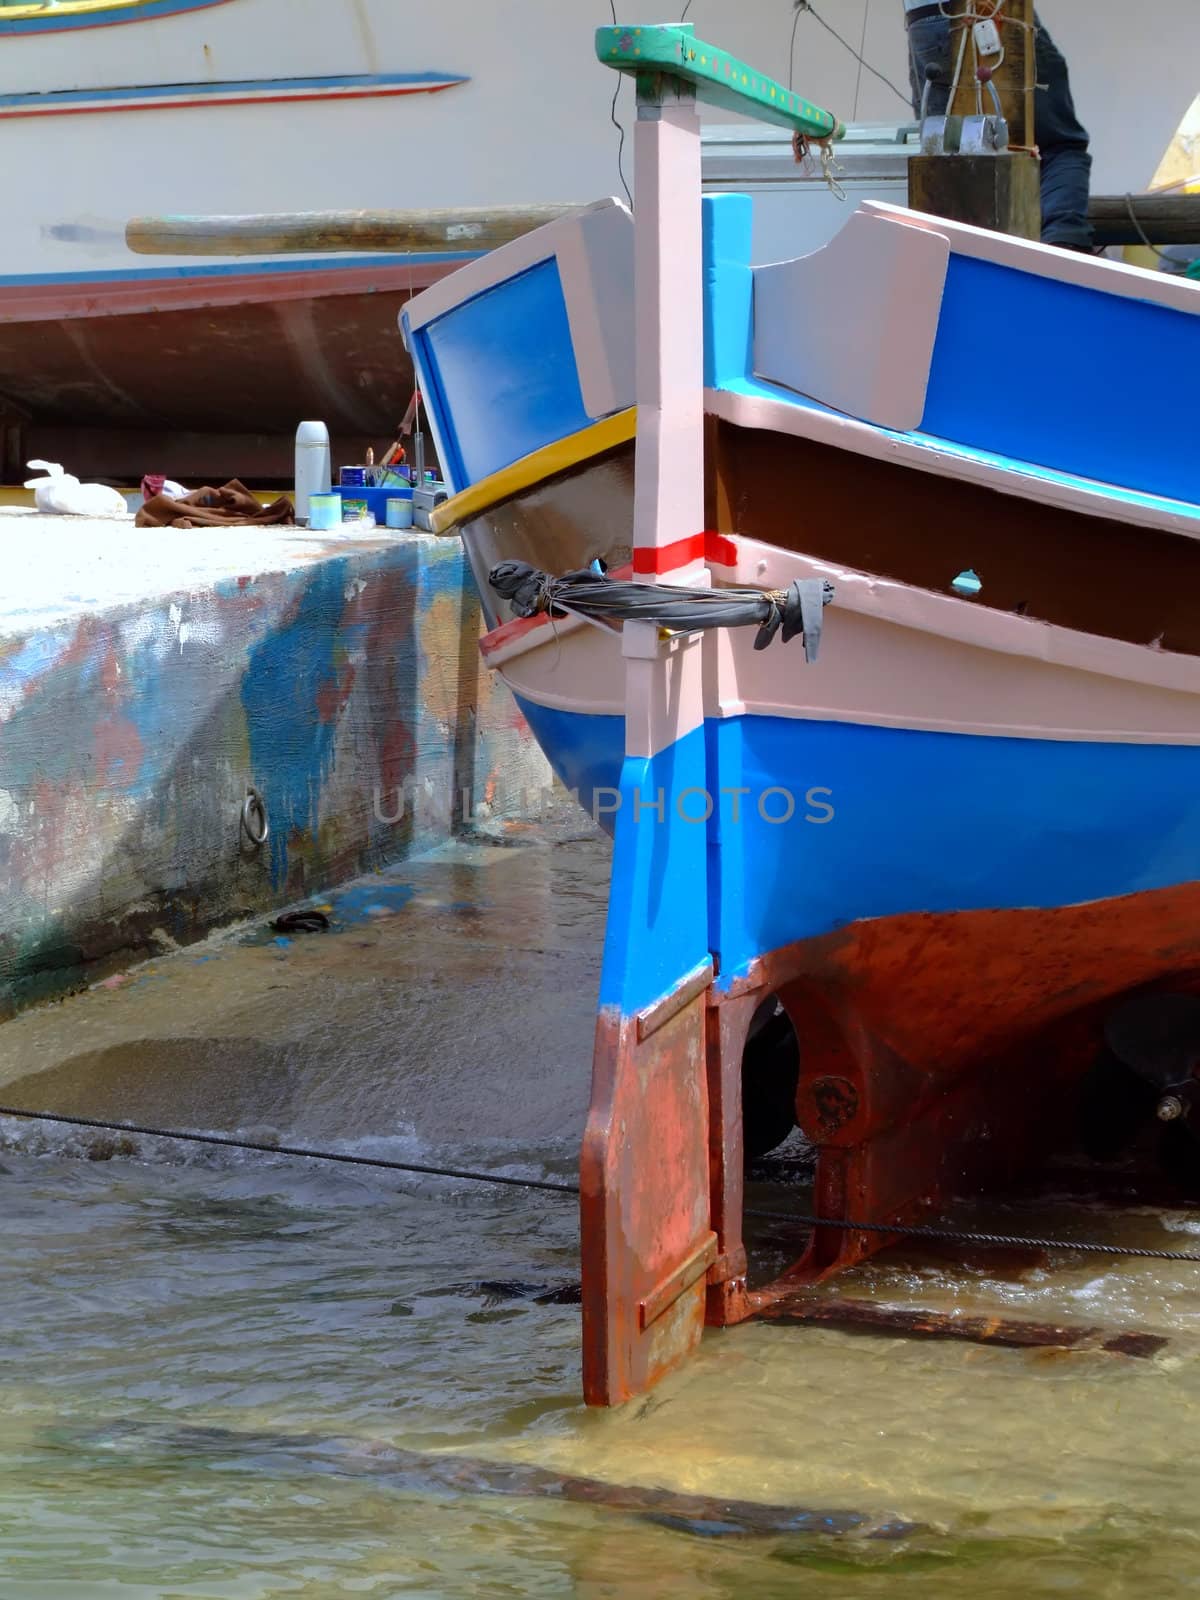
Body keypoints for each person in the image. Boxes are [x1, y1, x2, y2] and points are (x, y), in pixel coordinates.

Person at [903, 2, 1095, 251]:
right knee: (1059, 146)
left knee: (948, 152)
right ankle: (1062, 249)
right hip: (995, 14)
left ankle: (966, 262)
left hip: (925, 21)